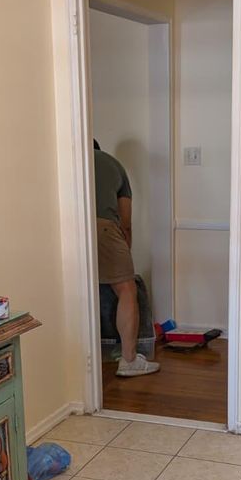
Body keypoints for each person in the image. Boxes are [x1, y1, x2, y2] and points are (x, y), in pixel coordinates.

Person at [93, 140, 159, 377]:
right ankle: (130, 360)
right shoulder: (114, 164)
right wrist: (124, 254)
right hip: (104, 229)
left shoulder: (66, 163)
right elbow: (125, 221)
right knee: (126, 289)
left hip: (69, 227)